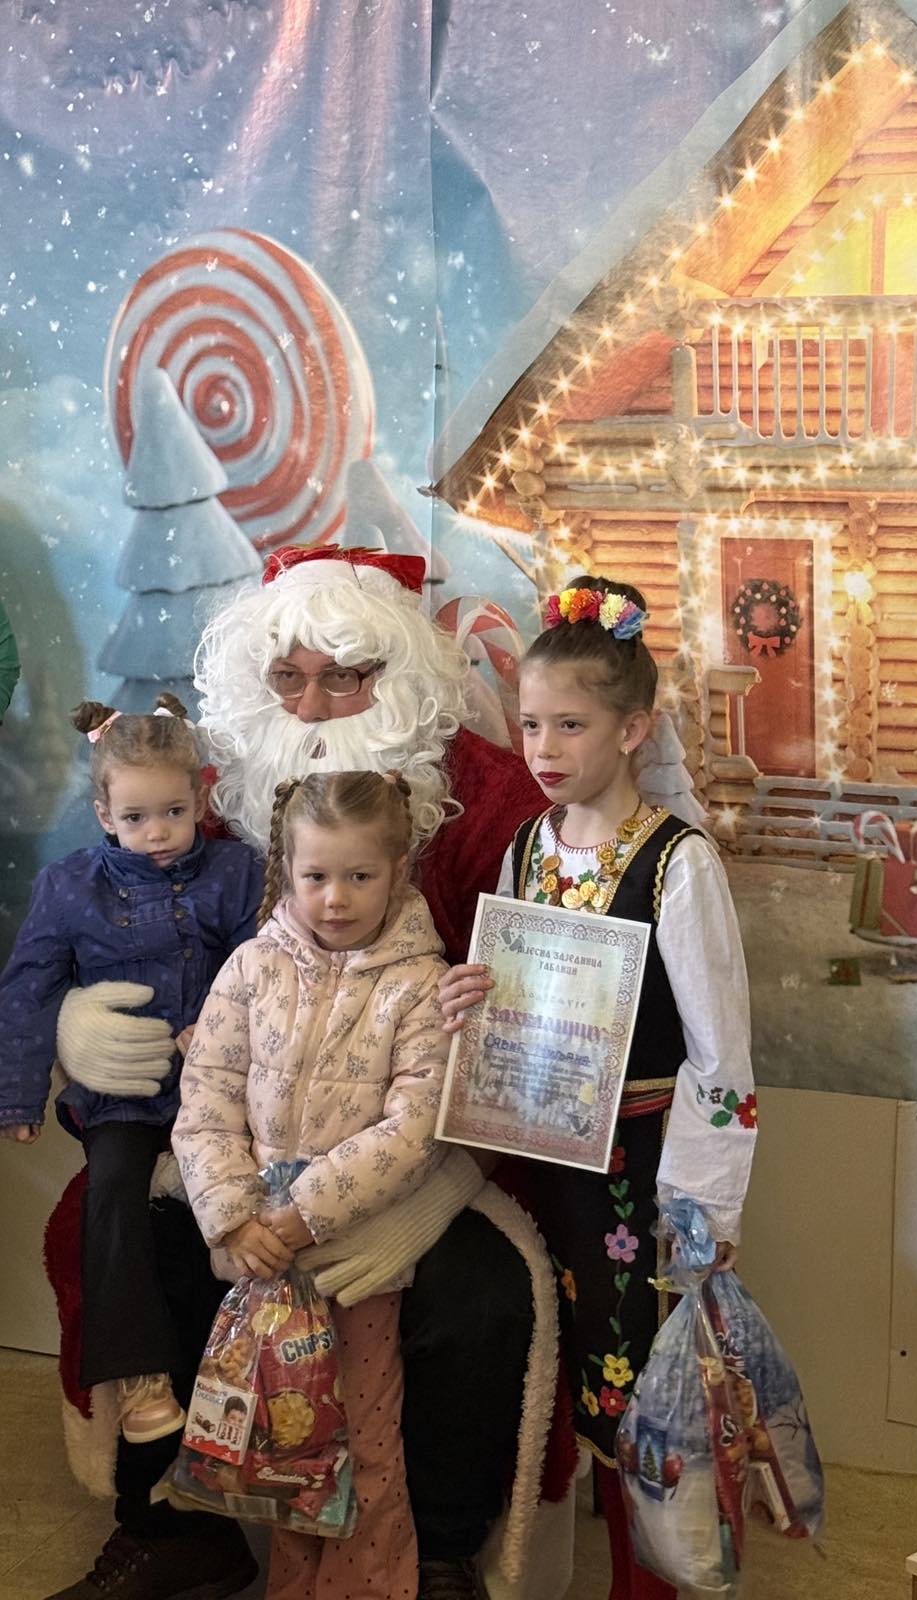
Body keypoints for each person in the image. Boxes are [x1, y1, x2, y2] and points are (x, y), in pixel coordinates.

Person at [50, 547, 550, 1600]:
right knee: (131, 1233)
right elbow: (133, 933)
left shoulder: (493, 797)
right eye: (288, 677)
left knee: (479, 1300)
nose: (313, 705)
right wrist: (73, 1021)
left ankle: (440, 1550)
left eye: (345, 676)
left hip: (428, 1153)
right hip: (246, 1142)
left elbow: (542, 1024)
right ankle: (175, 1527)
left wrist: (434, 1188)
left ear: (399, 677)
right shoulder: (218, 782)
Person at [438, 576, 758, 1600]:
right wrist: (473, 994)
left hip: (637, 1174)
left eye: (570, 724)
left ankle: (651, 1584)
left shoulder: (675, 861)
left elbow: (721, 1053)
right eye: (531, 723)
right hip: (542, 1152)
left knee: (639, 1384)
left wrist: (701, 1205)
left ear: (633, 728)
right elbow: (513, 988)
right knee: (559, 1369)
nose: (543, 747)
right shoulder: (529, 845)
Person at [0, 695, 263, 1594]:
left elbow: (263, 961)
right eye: (138, 817)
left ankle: (237, 1455)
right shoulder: (70, 885)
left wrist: (220, 1023)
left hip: (213, 1089)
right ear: (104, 813)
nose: (158, 835)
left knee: (216, 1216)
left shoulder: (234, 872)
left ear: (202, 799)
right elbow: (29, 985)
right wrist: (19, 1092)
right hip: (120, 1095)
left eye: (175, 813)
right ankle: (144, 1381)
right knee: (113, 1195)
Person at [173, 770, 451, 1600]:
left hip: (352, 1261)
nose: (335, 898)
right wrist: (233, 1218)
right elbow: (206, 1100)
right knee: (280, 1446)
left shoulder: (421, 984)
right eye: (316, 875)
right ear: (287, 872)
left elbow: (415, 1127)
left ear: (398, 869)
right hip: (259, 1263)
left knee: (362, 1443)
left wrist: (304, 1216)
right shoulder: (251, 968)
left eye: (359, 875)